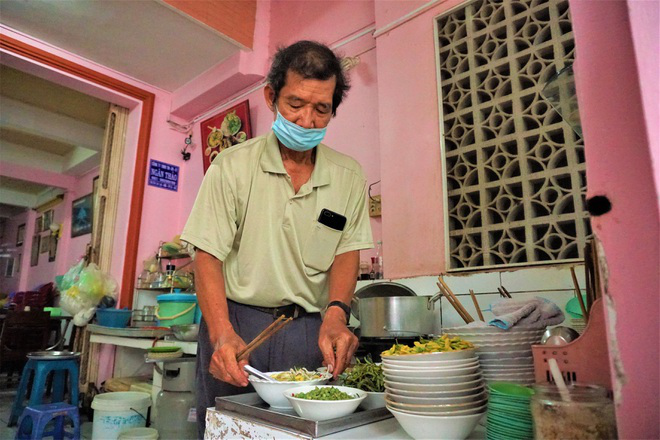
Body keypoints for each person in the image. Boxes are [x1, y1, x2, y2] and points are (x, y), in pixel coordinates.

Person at [180, 40, 373, 438]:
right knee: (228, 429)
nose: (306, 121)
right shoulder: (231, 167)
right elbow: (207, 256)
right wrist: (220, 332)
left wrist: (336, 314)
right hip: (237, 324)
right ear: (271, 97)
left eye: (321, 109)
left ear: (334, 109)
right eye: (295, 104)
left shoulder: (348, 176)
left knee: (304, 432)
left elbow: (346, 252)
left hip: (310, 332)